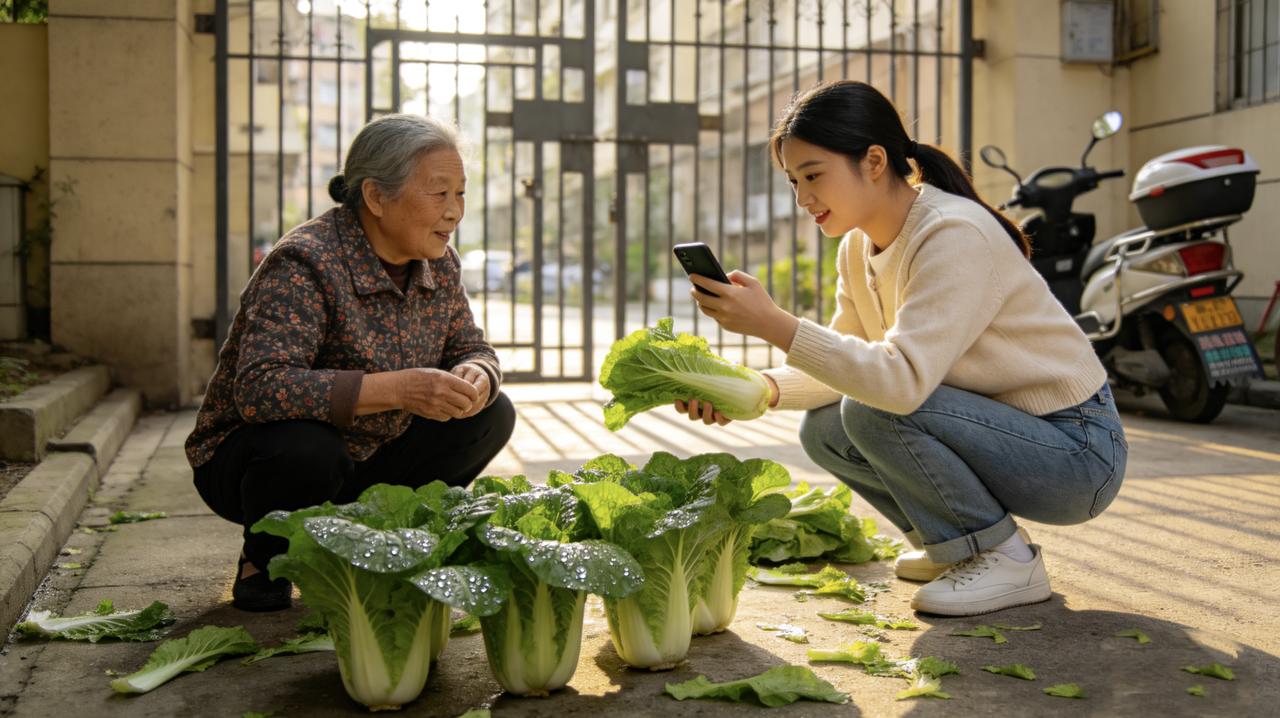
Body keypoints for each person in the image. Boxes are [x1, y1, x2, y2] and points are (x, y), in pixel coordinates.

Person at [675, 81, 1127, 617]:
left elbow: (898, 383)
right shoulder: (856, 247)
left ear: (873, 161)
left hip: (1076, 452)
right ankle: (956, 547)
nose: (802, 198)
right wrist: (756, 390)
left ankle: (1006, 558)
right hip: (1004, 434)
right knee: (826, 429)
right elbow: (846, 363)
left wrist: (775, 324)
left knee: (872, 409)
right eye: (794, 181)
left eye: (814, 175)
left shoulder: (952, 233)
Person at [185, 114, 515, 612]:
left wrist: (477, 374)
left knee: (491, 414)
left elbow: (472, 346)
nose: (454, 212)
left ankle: (388, 538)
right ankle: (266, 557)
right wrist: (398, 389)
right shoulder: (306, 261)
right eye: (439, 193)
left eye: (460, 194)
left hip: (374, 451)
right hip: (259, 463)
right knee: (307, 447)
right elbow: (260, 388)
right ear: (376, 197)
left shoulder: (439, 262)